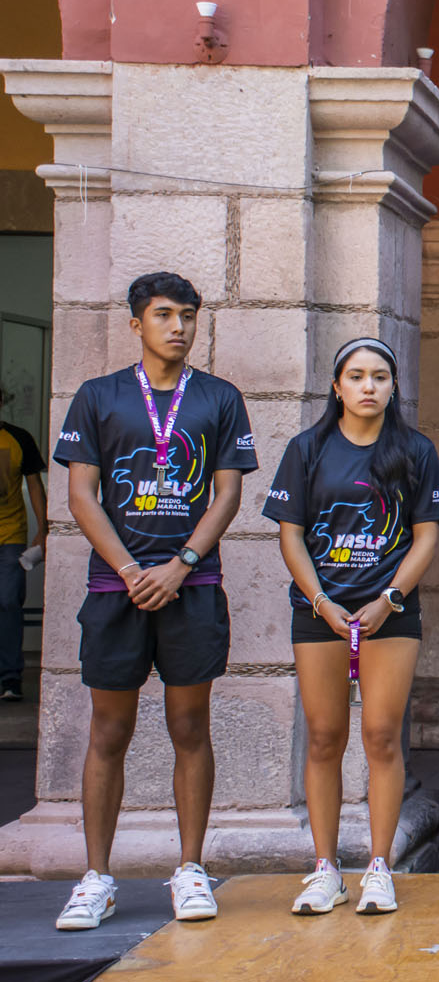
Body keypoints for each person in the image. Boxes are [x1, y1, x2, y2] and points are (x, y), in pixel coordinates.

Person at [52, 272, 257, 930]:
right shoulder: (98, 397)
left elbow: (226, 493)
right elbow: (81, 495)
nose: (179, 327)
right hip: (117, 589)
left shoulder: (220, 399)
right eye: (164, 315)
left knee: (190, 728)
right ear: (136, 324)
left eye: (188, 316)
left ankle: (191, 870)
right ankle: (96, 877)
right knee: (109, 731)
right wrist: (131, 567)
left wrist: (181, 564)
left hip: (190, 587)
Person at [264, 337, 439, 916]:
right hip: (320, 612)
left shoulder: (416, 451)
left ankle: (378, 867)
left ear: (393, 387)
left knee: (379, 734)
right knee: (323, 736)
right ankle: (325, 869)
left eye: (379, 377)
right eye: (356, 376)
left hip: (390, 616)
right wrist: (321, 601)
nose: (368, 386)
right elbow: (290, 532)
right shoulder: (307, 449)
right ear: (337, 386)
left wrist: (390, 598)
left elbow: (427, 535)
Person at [0, 391, 48, 702]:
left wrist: (44, 530)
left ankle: (10, 679)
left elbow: (34, 484)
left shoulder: (18, 438)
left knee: (7, 604)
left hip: (9, 536)